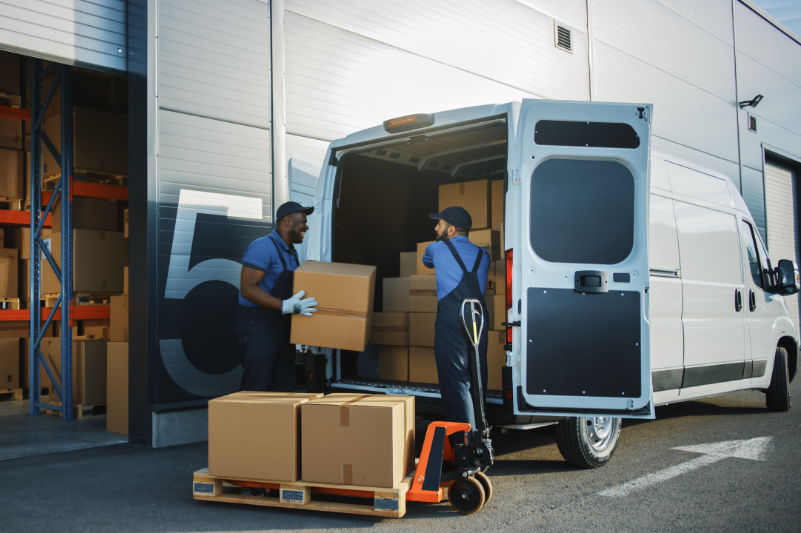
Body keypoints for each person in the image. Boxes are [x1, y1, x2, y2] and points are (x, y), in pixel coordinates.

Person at [236, 201, 318, 391]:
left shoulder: (291, 253)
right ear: (287, 221)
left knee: (284, 384)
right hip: (257, 325)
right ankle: (249, 421)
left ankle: (280, 421)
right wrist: (284, 306)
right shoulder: (262, 247)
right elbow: (248, 289)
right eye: (303, 221)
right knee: (258, 384)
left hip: (280, 328)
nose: (306, 226)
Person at [422, 206, 490, 429]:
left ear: (451, 229)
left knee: (456, 380)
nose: (435, 228)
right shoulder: (483, 255)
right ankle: (481, 435)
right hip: (478, 318)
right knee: (477, 376)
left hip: (453, 318)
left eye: (439, 224)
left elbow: (426, 261)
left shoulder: (437, 249)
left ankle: (465, 444)